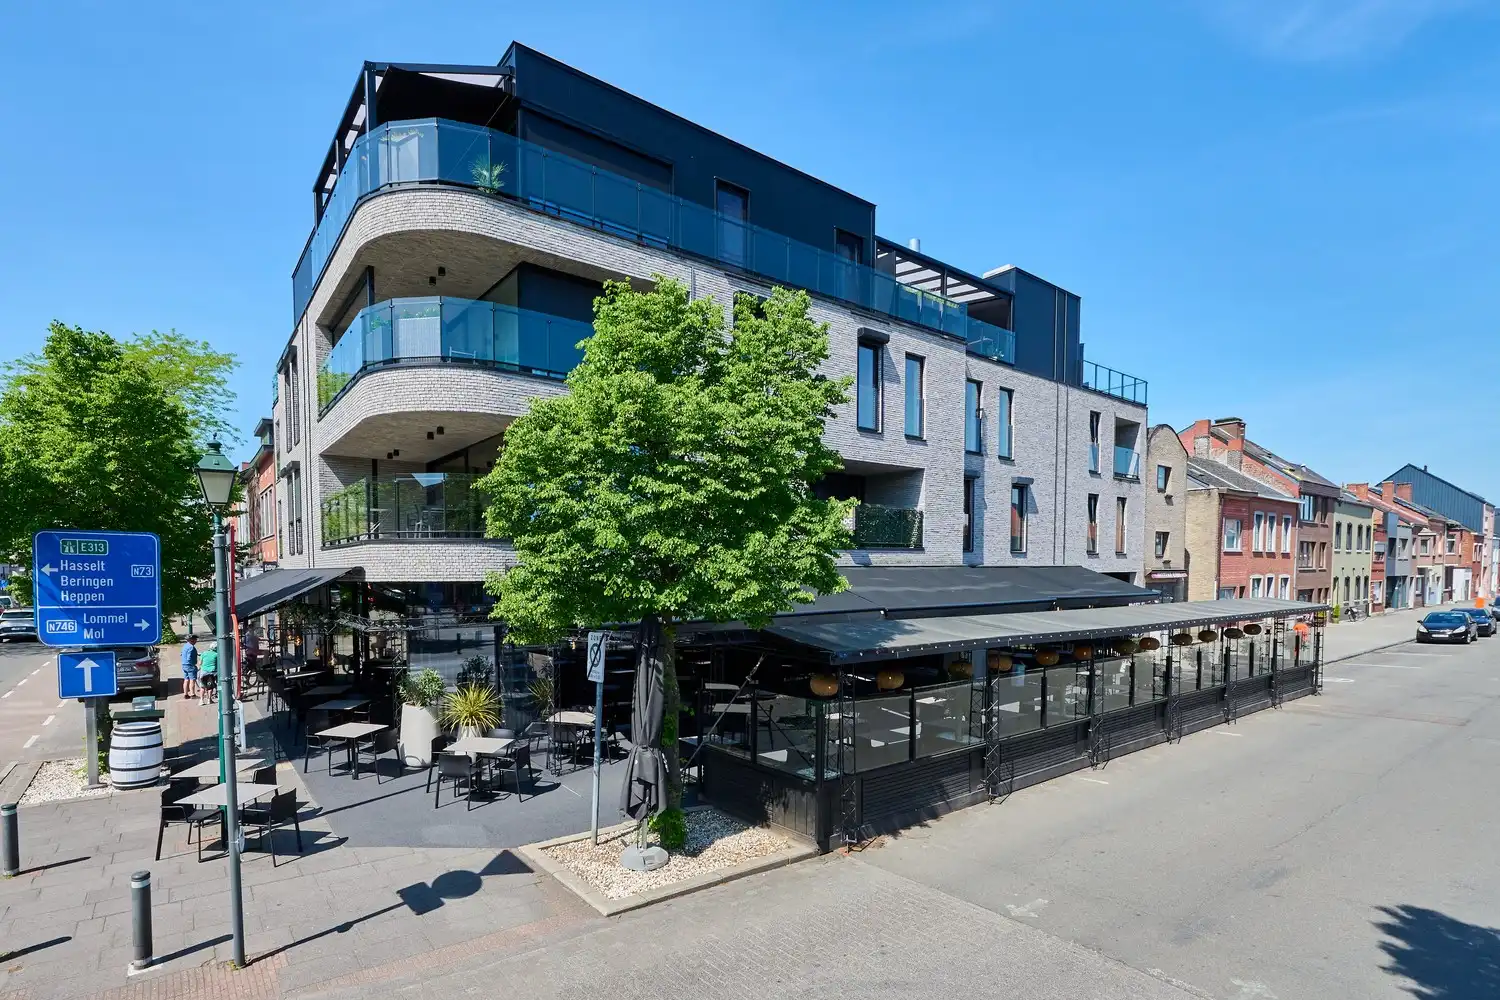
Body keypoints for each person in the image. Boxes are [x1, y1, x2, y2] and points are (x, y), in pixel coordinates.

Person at [198, 641, 219, 707]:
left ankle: (201, 700)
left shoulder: (204, 653)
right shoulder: (217, 654)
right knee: (210, 686)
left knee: (202, 687)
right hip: (211, 672)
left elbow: (200, 663)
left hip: (203, 672)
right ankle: (209, 700)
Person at [180, 635, 199, 700]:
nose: (196, 641)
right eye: (195, 639)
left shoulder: (185, 646)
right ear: (191, 640)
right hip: (190, 665)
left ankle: (185, 694)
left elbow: (181, 654)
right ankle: (192, 694)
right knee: (192, 680)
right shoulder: (191, 647)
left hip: (184, 664)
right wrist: (193, 664)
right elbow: (189, 658)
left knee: (186, 679)